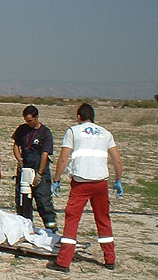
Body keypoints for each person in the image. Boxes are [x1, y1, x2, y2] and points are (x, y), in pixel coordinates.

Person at [47, 103, 123, 273]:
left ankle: (64, 262)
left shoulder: (73, 131)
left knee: (72, 220)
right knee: (103, 220)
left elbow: (63, 158)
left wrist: (57, 179)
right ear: (93, 117)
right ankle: (110, 259)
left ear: (79, 117)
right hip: (101, 182)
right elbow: (117, 160)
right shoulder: (105, 133)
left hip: (81, 183)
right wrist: (118, 180)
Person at [12, 105, 58, 231]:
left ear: (37, 117)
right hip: (25, 170)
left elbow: (45, 154)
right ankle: (25, 229)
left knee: (43, 201)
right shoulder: (22, 129)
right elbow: (16, 145)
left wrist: (40, 173)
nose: (28, 123)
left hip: (39, 168)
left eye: (30, 120)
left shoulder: (45, 133)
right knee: (23, 201)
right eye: (26, 120)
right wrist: (19, 159)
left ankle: (51, 230)